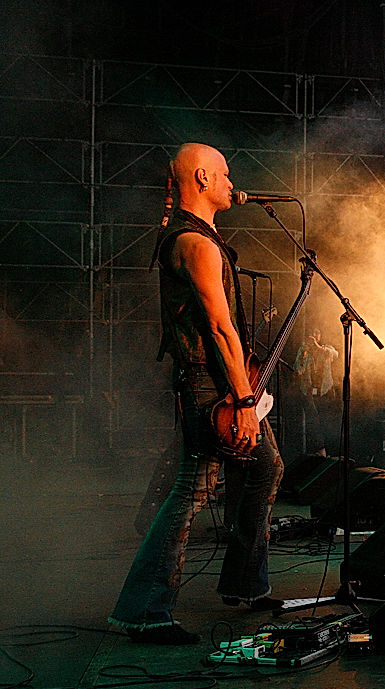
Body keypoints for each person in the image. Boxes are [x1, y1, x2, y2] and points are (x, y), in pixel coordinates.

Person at [109, 143, 284, 645]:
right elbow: (219, 328)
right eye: (225, 175)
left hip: (219, 381)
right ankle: (144, 610)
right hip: (211, 386)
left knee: (265, 466)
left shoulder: (200, 237)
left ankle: (245, 585)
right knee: (191, 490)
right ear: (202, 177)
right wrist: (246, 401)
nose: (233, 183)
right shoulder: (194, 243)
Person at [293, 327, 339, 456]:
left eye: (316, 334)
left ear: (319, 336)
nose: (313, 336)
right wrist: (302, 355)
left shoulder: (326, 348)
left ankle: (329, 450)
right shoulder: (304, 351)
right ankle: (318, 450)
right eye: (311, 334)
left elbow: (335, 354)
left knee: (326, 421)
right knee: (313, 422)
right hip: (309, 392)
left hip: (325, 392)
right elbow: (298, 370)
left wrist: (317, 346)